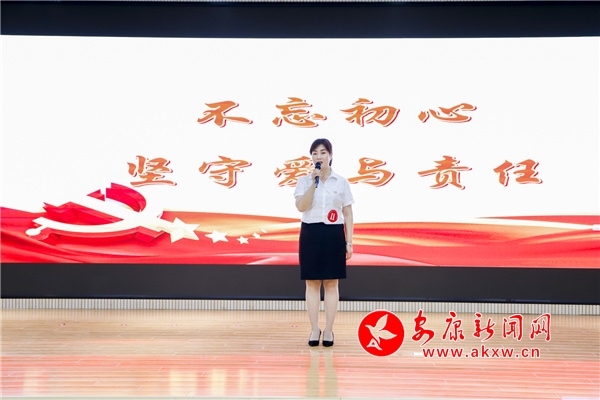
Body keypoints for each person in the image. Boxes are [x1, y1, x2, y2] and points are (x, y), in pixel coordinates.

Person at [294, 138, 354, 347]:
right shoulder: (304, 181)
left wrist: (349, 242)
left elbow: (348, 213)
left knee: (331, 283)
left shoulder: (341, 182)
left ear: (330, 155)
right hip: (311, 232)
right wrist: (313, 183)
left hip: (333, 233)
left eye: (322, 152)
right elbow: (301, 207)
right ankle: (314, 329)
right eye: (315, 153)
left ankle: (328, 330)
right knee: (311, 283)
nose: (318, 157)